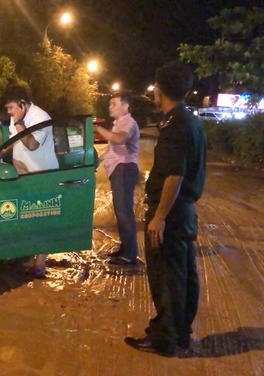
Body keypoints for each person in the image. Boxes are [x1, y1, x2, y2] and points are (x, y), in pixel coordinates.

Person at [125, 61, 207, 357]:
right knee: (184, 275)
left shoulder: (176, 125)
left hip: (170, 213)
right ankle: (181, 333)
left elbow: (175, 175)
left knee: (167, 278)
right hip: (183, 212)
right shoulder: (192, 121)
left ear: (159, 90)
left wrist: (159, 216)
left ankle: (164, 338)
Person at [1, 85, 59, 278]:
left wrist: (19, 124)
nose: (9, 112)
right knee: (26, 217)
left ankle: (40, 264)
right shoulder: (16, 118)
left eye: (11, 108)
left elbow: (32, 144)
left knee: (41, 217)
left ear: (23, 104)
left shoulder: (41, 118)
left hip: (40, 175)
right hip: (22, 174)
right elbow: (13, 141)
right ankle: (27, 256)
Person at [95, 92, 140, 266]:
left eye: (114, 104)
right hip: (119, 170)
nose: (110, 107)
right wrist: (98, 160)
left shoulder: (128, 123)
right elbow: (112, 149)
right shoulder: (119, 124)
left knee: (124, 212)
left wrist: (98, 129)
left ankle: (129, 255)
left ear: (125, 106)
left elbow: (120, 140)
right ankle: (125, 249)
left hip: (124, 169)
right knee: (120, 211)